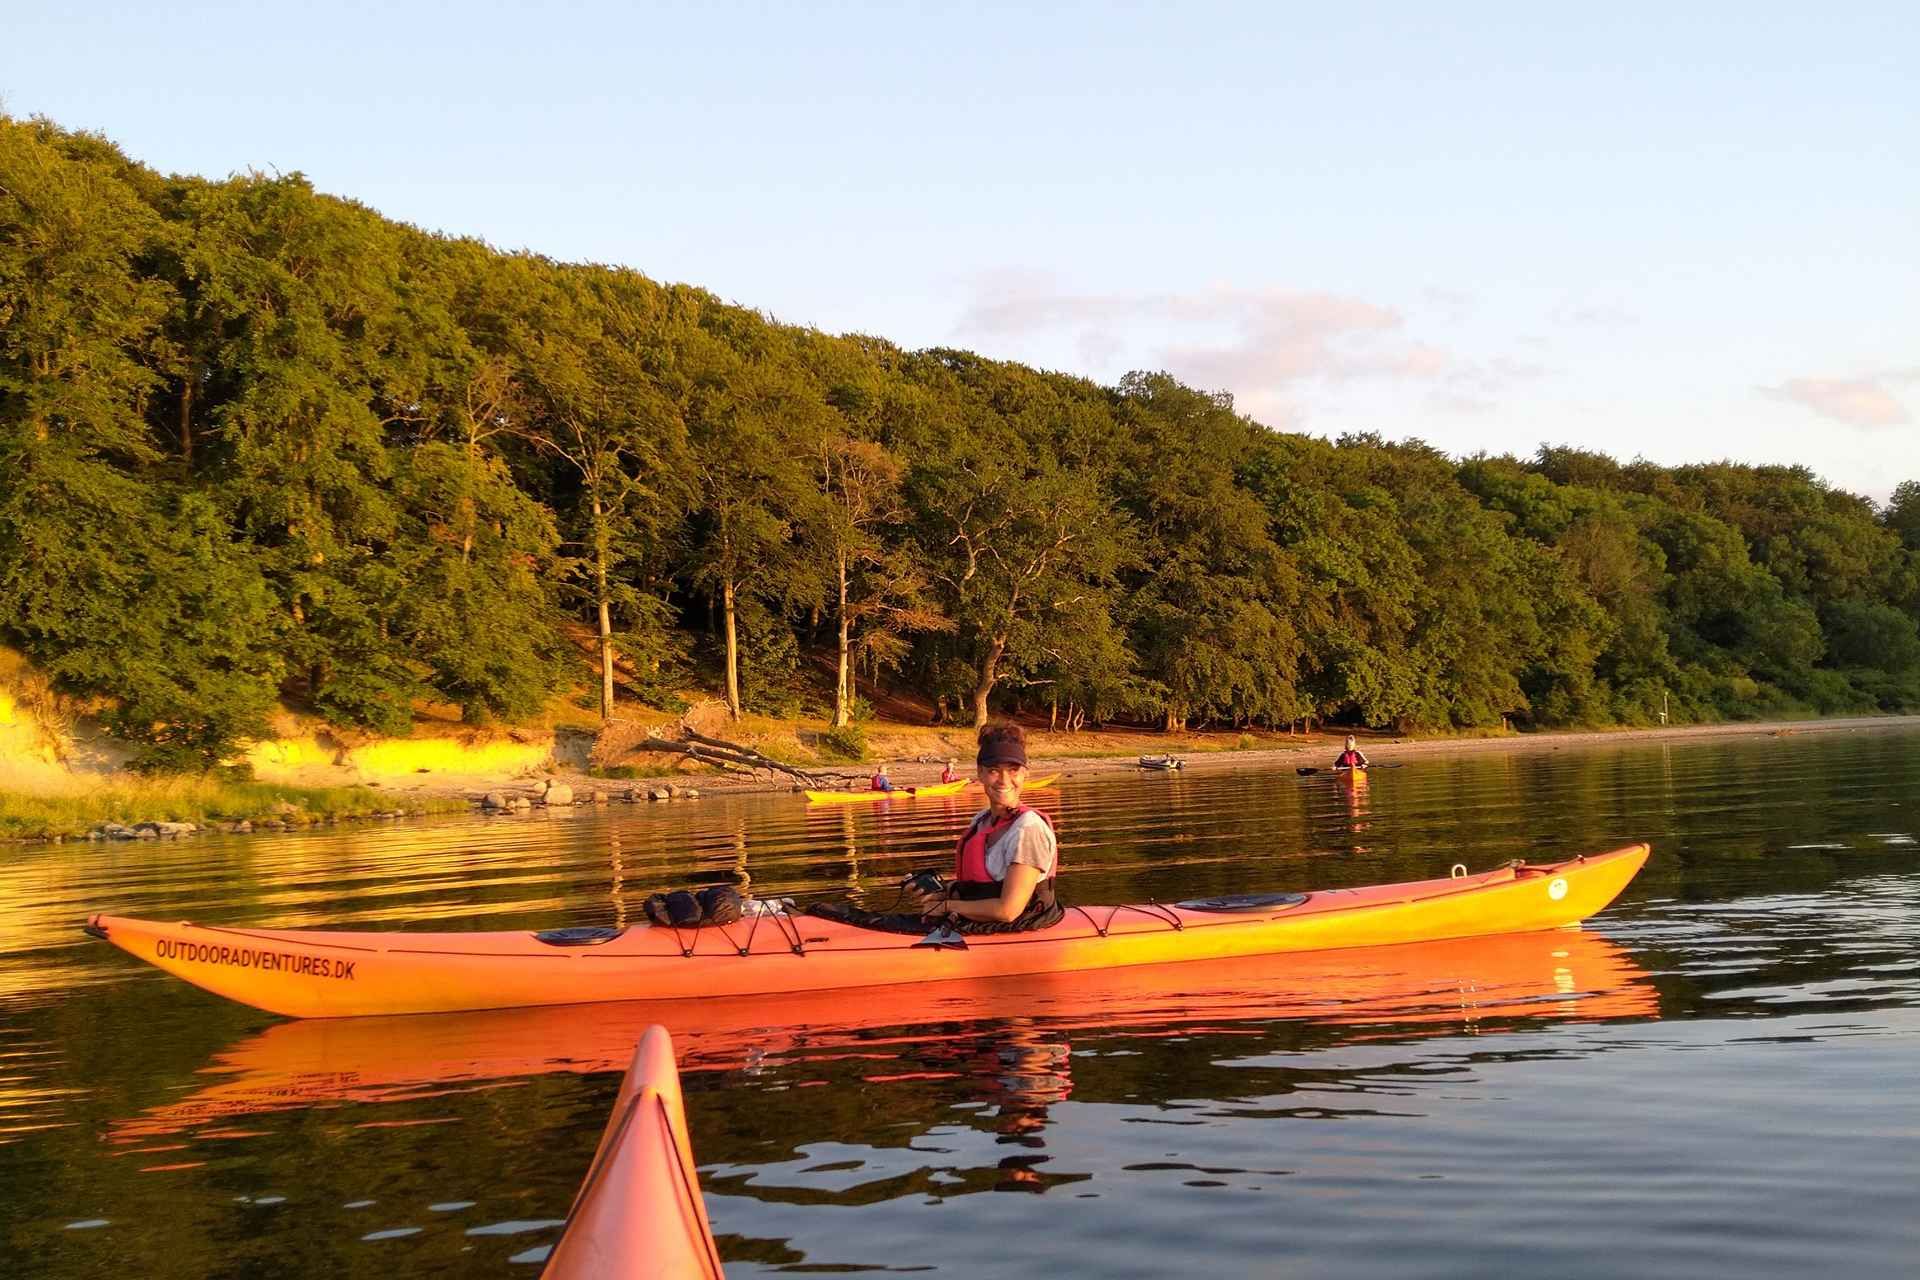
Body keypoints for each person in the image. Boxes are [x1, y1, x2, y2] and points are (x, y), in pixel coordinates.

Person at [905, 722, 1062, 931]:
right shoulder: (981, 821)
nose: (1004, 780)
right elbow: (982, 888)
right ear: (980, 773)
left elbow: (1008, 911)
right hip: (983, 926)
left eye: (1013, 770)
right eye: (994, 771)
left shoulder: (1029, 830)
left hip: (1020, 928)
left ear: (1025, 773)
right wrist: (941, 892)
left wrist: (945, 906)